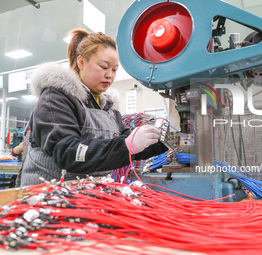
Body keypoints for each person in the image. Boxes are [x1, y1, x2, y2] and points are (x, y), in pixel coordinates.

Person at [16, 29, 167, 187]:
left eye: (115, 70)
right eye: (103, 67)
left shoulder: (108, 108)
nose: (110, 75)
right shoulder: (55, 99)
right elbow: (68, 153)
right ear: (81, 62)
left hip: (87, 192)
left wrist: (164, 142)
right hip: (48, 194)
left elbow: (127, 142)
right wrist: (127, 145)